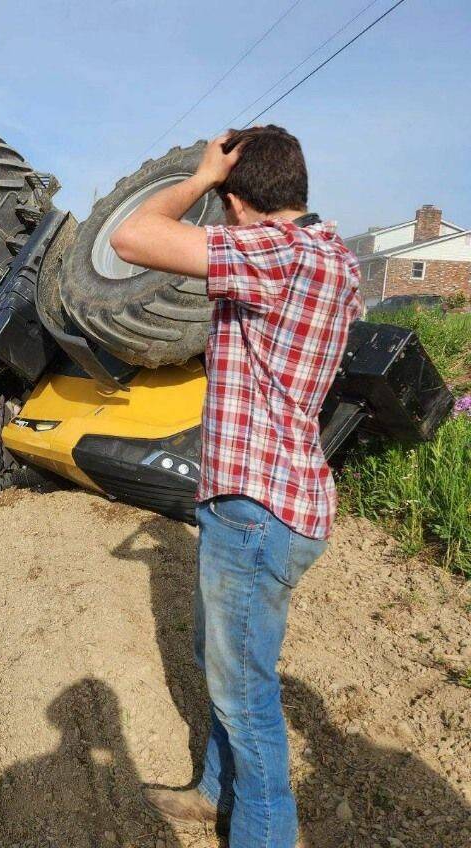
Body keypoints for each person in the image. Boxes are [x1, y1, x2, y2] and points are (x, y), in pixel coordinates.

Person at [109, 125, 363, 848]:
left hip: (257, 509)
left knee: (244, 696)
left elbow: (132, 238)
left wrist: (196, 177)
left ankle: (263, 834)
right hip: (276, 501)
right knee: (224, 666)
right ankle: (213, 795)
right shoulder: (329, 253)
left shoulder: (276, 253)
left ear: (238, 200)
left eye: (222, 200)